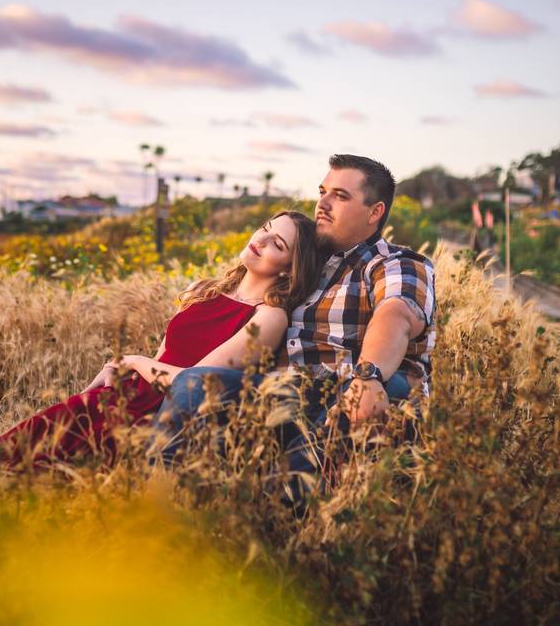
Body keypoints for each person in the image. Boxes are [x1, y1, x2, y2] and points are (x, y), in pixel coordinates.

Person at [151, 154, 437, 506]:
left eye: (340, 196)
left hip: (349, 389)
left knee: (341, 415)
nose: (323, 203)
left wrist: (368, 374)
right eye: (323, 192)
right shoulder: (307, 264)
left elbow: (396, 316)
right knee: (196, 384)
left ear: (374, 212)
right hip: (281, 392)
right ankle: (150, 515)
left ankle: (289, 522)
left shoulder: (396, 263)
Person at [0, 211, 322, 465]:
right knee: (1, 459)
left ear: (290, 269)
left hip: (163, 421)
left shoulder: (268, 316)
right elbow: (164, 354)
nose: (260, 240)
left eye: (277, 244)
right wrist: (119, 375)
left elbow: (193, 386)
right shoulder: (204, 290)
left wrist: (131, 360)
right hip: (127, 397)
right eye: (265, 228)